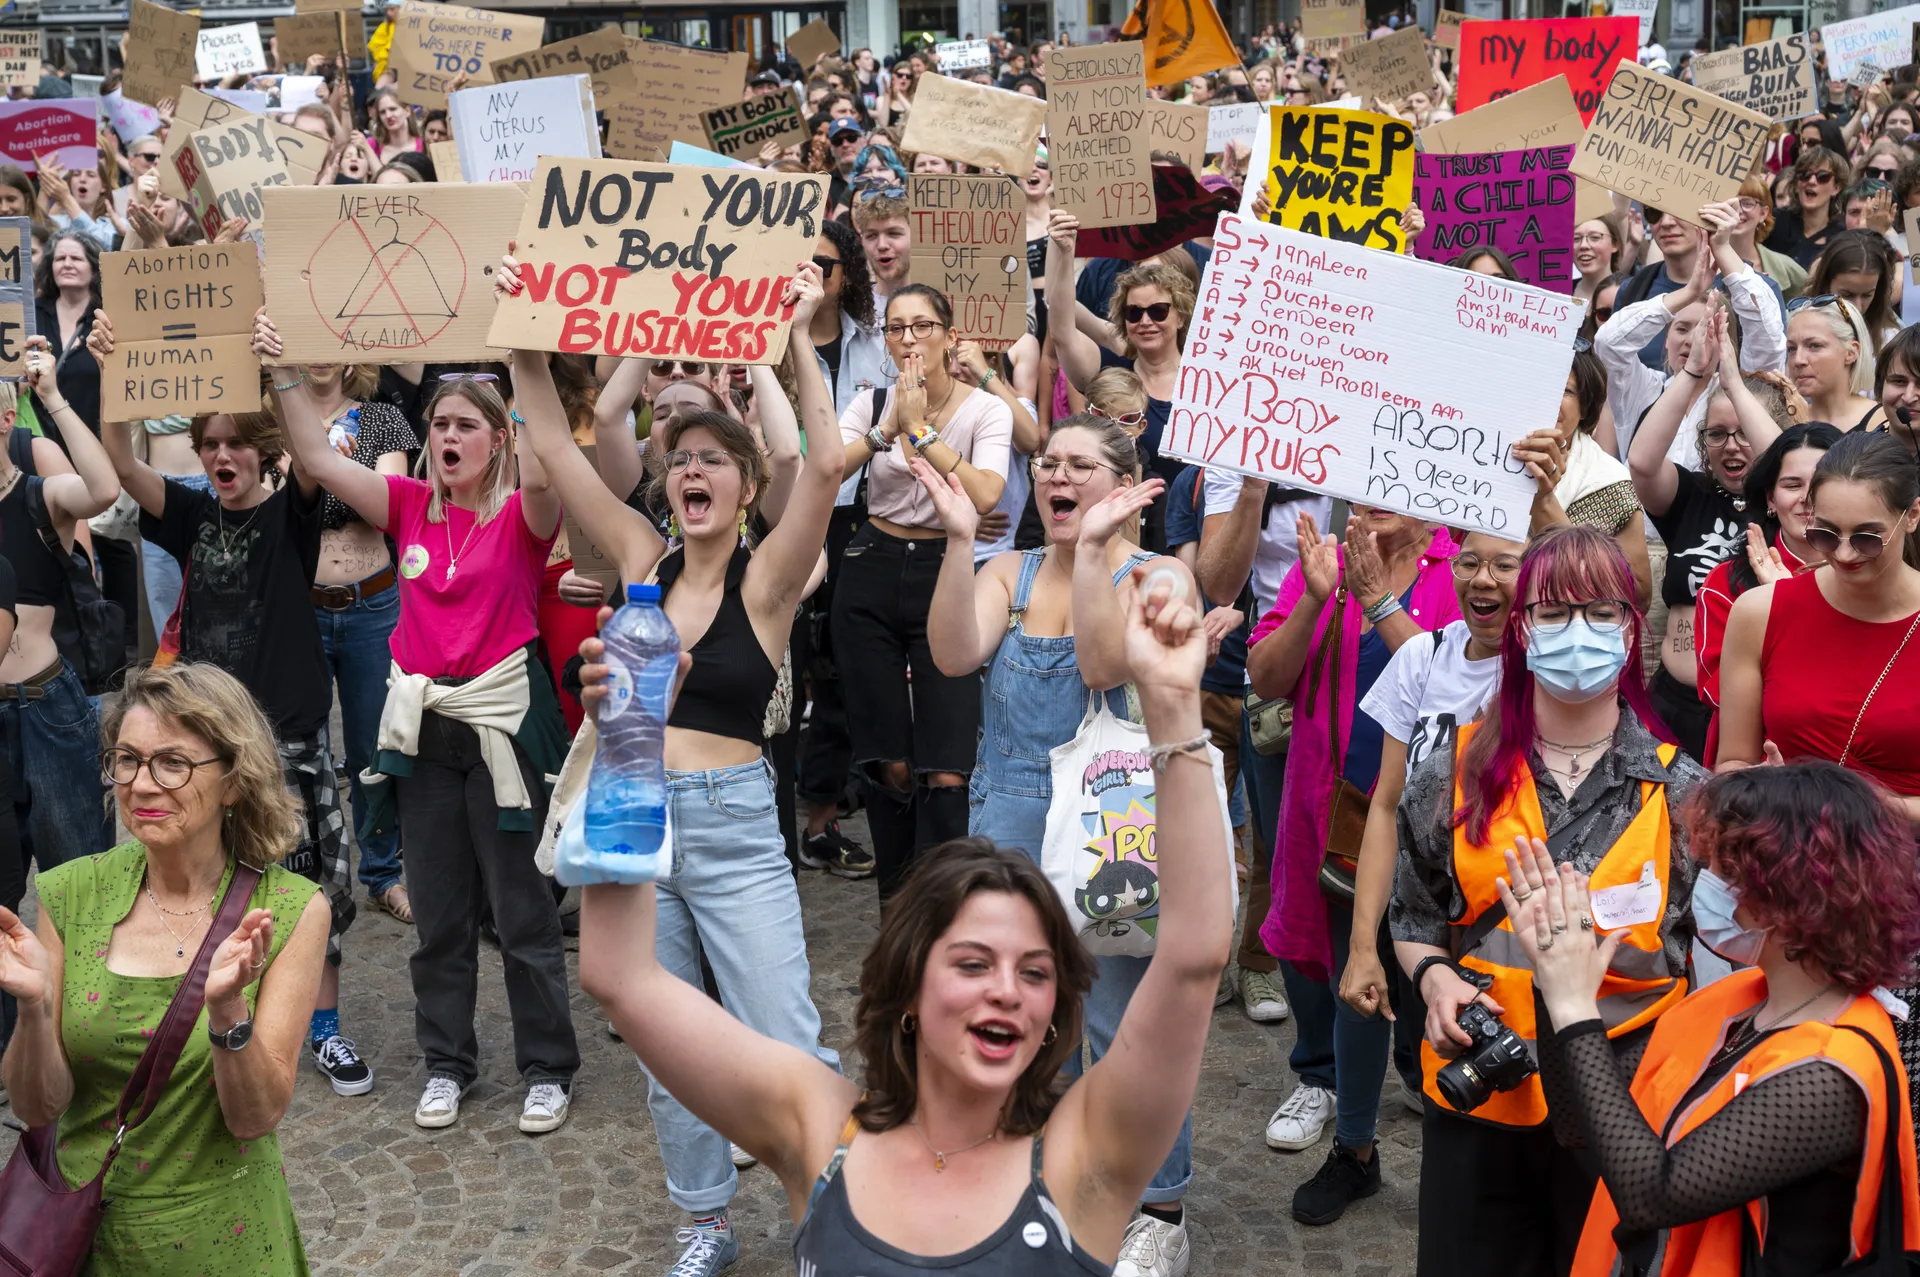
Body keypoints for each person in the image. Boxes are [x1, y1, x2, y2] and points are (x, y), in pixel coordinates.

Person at [574, 560, 1232, 1277]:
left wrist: (1173, 708)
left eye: (1035, 971)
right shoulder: (818, 1130)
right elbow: (622, 977)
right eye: (974, 961)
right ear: (909, 985)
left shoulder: (1086, 1160)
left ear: (1053, 1014)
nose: (1007, 988)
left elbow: (1193, 958)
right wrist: (630, 744)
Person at [507, 257, 844, 1274]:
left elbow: (824, 465)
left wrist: (789, 341)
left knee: (783, 1028)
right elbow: (561, 453)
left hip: (738, 825)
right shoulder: (636, 552)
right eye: (678, 456)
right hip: (634, 818)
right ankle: (703, 1217)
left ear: (744, 486)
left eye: (713, 458)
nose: (691, 468)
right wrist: (523, 345)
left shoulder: (771, 574)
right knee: (667, 1034)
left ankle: (827, 1208)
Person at [253, 315, 582, 1136]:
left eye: (466, 425)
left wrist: (524, 361)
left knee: (521, 911)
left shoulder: (523, 516)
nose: (446, 436)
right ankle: (446, 1062)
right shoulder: (405, 505)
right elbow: (323, 459)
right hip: (424, 737)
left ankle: (547, 1068)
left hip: (502, 729)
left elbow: (549, 465)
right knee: (438, 911)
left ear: (499, 440)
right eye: (437, 424)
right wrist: (286, 368)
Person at [921, 415, 1210, 1271]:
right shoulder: (1003, 569)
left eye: (1081, 464)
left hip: (1109, 819)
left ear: (1123, 485)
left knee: (1124, 1021)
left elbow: (1098, 666)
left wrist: (1089, 554)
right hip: (1006, 814)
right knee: (1009, 1008)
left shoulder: (1159, 574)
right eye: (1048, 462)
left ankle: (1157, 1204)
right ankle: (1031, 1175)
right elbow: (950, 653)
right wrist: (959, 541)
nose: (1057, 474)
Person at [1391, 525, 1706, 1277]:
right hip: (1482, 1091)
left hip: (1621, 1106)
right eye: (1555, 613)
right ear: (1521, 629)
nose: (1579, 633)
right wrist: (1433, 978)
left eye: (1601, 613)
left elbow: (1699, 949)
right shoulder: (1451, 773)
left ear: (1633, 631)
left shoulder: (1682, 792)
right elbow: (1413, 914)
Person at [90, 311, 374, 1098]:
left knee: (311, 878)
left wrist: (279, 371)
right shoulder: (187, 514)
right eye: (210, 443)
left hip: (291, 727)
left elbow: (314, 456)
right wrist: (117, 375)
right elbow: (120, 460)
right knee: (220, 875)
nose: (221, 455)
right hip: (208, 736)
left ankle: (324, 1027)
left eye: (236, 443)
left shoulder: (293, 514)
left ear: (263, 452)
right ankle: (224, 1019)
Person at [1507, 764, 1920, 1277]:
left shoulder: (1831, 1071)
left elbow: (1652, 1196)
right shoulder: (1734, 1001)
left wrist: (1576, 1010)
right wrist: (1552, 983)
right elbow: (1581, 1123)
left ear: (1793, 898)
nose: (1708, 886)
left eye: (1728, 871)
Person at [0, 661, 331, 1276]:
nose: (141, 785)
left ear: (234, 779)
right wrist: (33, 1007)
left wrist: (228, 1011)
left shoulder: (289, 911)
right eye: (126, 759)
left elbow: (255, 1117)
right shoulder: (71, 894)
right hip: (86, 1239)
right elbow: (40, 1105)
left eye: (172, 762)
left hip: (225, 1242)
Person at [1246, 506, 1460, 1221]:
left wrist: (1380, 603)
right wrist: (1314, 595)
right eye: (1363, 486)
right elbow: (1268, 676)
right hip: (1340, 813)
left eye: (1389, 486)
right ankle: (1357, 1150)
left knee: (1454, 982)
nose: (1370, 501)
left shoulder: (1461, 567)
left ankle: (1465, 1160)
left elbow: (1453, 686)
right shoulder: (1325, 564)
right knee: (1357, 975)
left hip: (1448, 815)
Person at [835, 283, 1012, 904]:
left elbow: (987, 495)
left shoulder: (985, 409)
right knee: (891, 762)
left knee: (945, 762)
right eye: (896, 328)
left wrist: (924, 433)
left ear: (950, 335)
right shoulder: (871, 403)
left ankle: (941, 904)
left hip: (948, 564)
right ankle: (896, 903)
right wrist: (890, 428)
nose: (909, 340)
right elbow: (830, 468)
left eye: (923, 327)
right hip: (873, 564)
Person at [1338, 528, 1526, 1102]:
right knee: (1419, 1064)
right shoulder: (1423, 657)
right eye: (1469, 562)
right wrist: (1363, 946)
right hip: (1420, 919)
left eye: (1505, 565)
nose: (1483, 579)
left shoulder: (1547, 673)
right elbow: (1386, 805)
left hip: (1501, 923)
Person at [1716, 430, 1920, 819]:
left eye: (1867, 538)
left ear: (1911, 516)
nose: (1843, 554)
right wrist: (1761, 788)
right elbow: (1731, 766)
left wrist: (1880, 809)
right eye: (1825, 534)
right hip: (1786, 855)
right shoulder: (1760, 613)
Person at [1626, 310, 1790, 759]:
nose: (1731, 446)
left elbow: (1788, 463)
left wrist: (1735, 383)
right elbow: (1641, 462)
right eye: (1717, 434)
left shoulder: (1789, 508)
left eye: (1743, 433)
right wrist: (1696, 372)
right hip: (1672, 703)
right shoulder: (1690, 495)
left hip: (1751, 716)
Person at [0, 345, 116, 884]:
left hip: (46, 709)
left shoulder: (38, 496)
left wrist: (53, 398)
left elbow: (103, 490)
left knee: (80, 884)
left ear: (6, 419)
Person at [794, 217, 887, 880]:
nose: (809, 278)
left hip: (857, 521)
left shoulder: (876, 343)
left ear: (847, 275)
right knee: (785, 669)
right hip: (783, 520)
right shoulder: (764, 344)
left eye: (823, 266)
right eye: (799, 265)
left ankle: (822, 821)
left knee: (842, 672)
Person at [1694, 423, 1839, 763]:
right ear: (1771, 498)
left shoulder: (1867, 576)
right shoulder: (1726, 584)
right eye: (1792, 485)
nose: (1807, 497)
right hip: (1753, 767)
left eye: (1822, 483)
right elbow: (1716, 691)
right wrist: (1786, 604)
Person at [1523, 346, 1655, 608]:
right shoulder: (1480, 463)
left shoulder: (1610, 483)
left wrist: (1544, 503)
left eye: (1566, 390)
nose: (1549, 397)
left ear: (1585, 407)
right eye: (1541, 382)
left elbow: (1638, 595)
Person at [1786, 295, 1881, 430]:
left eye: (1815, 346)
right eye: (1791, 348)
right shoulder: (1785, 424)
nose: (1798, 360)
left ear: (1851, 352)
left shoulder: (1883, 422)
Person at [1805, 227, 1899, 351]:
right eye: (1847, 295)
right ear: (1826, 285)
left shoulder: (1889, 341)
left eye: (1867, 295)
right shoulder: (1799, 328)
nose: (1857, 307)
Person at [1767, 147, 1850, 268]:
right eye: (1805, 175)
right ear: (1797, 184)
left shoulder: (1842, 237)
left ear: (1836, 188)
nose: (1811, 181)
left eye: (1822, 176)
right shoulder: (1775, 221)